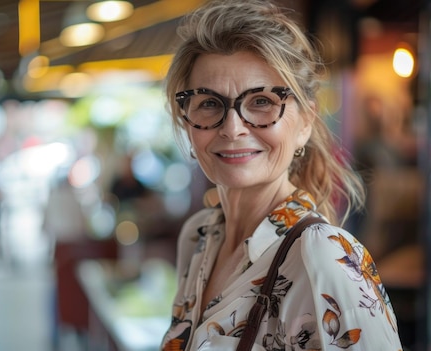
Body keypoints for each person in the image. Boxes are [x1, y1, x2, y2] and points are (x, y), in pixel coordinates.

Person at [160, 1, 403, 350]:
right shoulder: (198, 237)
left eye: (261, 101)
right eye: (209, 103)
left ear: (305, 122)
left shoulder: (325, 256)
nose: (232, 129)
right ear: (186, 120)